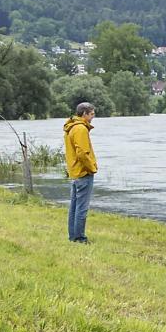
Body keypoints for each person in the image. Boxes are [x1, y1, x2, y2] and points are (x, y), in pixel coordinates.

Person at [63, 102, 97, 243]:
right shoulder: (81, 129)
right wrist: (92, 168)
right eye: (92, 114)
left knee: (74, 207)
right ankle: (80, 238)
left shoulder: (71, 127)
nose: (93, 117)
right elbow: (82, 153)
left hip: (75, 172)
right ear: (84, 114)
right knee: (82, 208)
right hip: (83, 173)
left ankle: (73, 236)